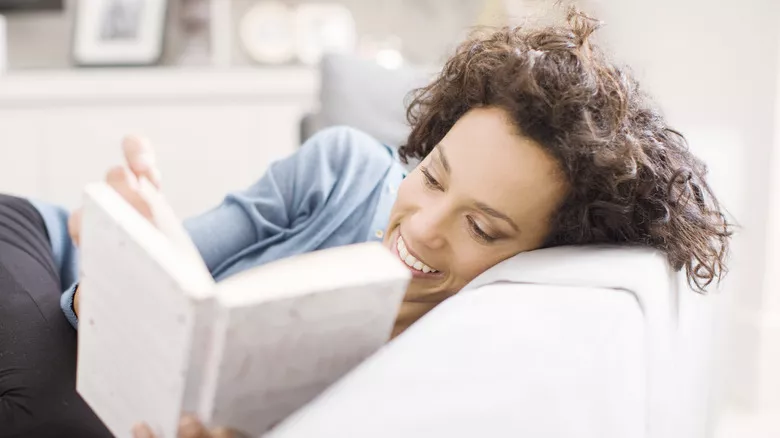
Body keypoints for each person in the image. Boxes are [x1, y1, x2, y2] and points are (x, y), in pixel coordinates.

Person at [0, 9, 731, 438]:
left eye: (482, 228)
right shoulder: (344, 170)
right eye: (433, 175)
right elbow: (107, 302)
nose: (421, 227)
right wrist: (128, 255)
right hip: (37, 245)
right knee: (51, 412)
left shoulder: (461, 347)